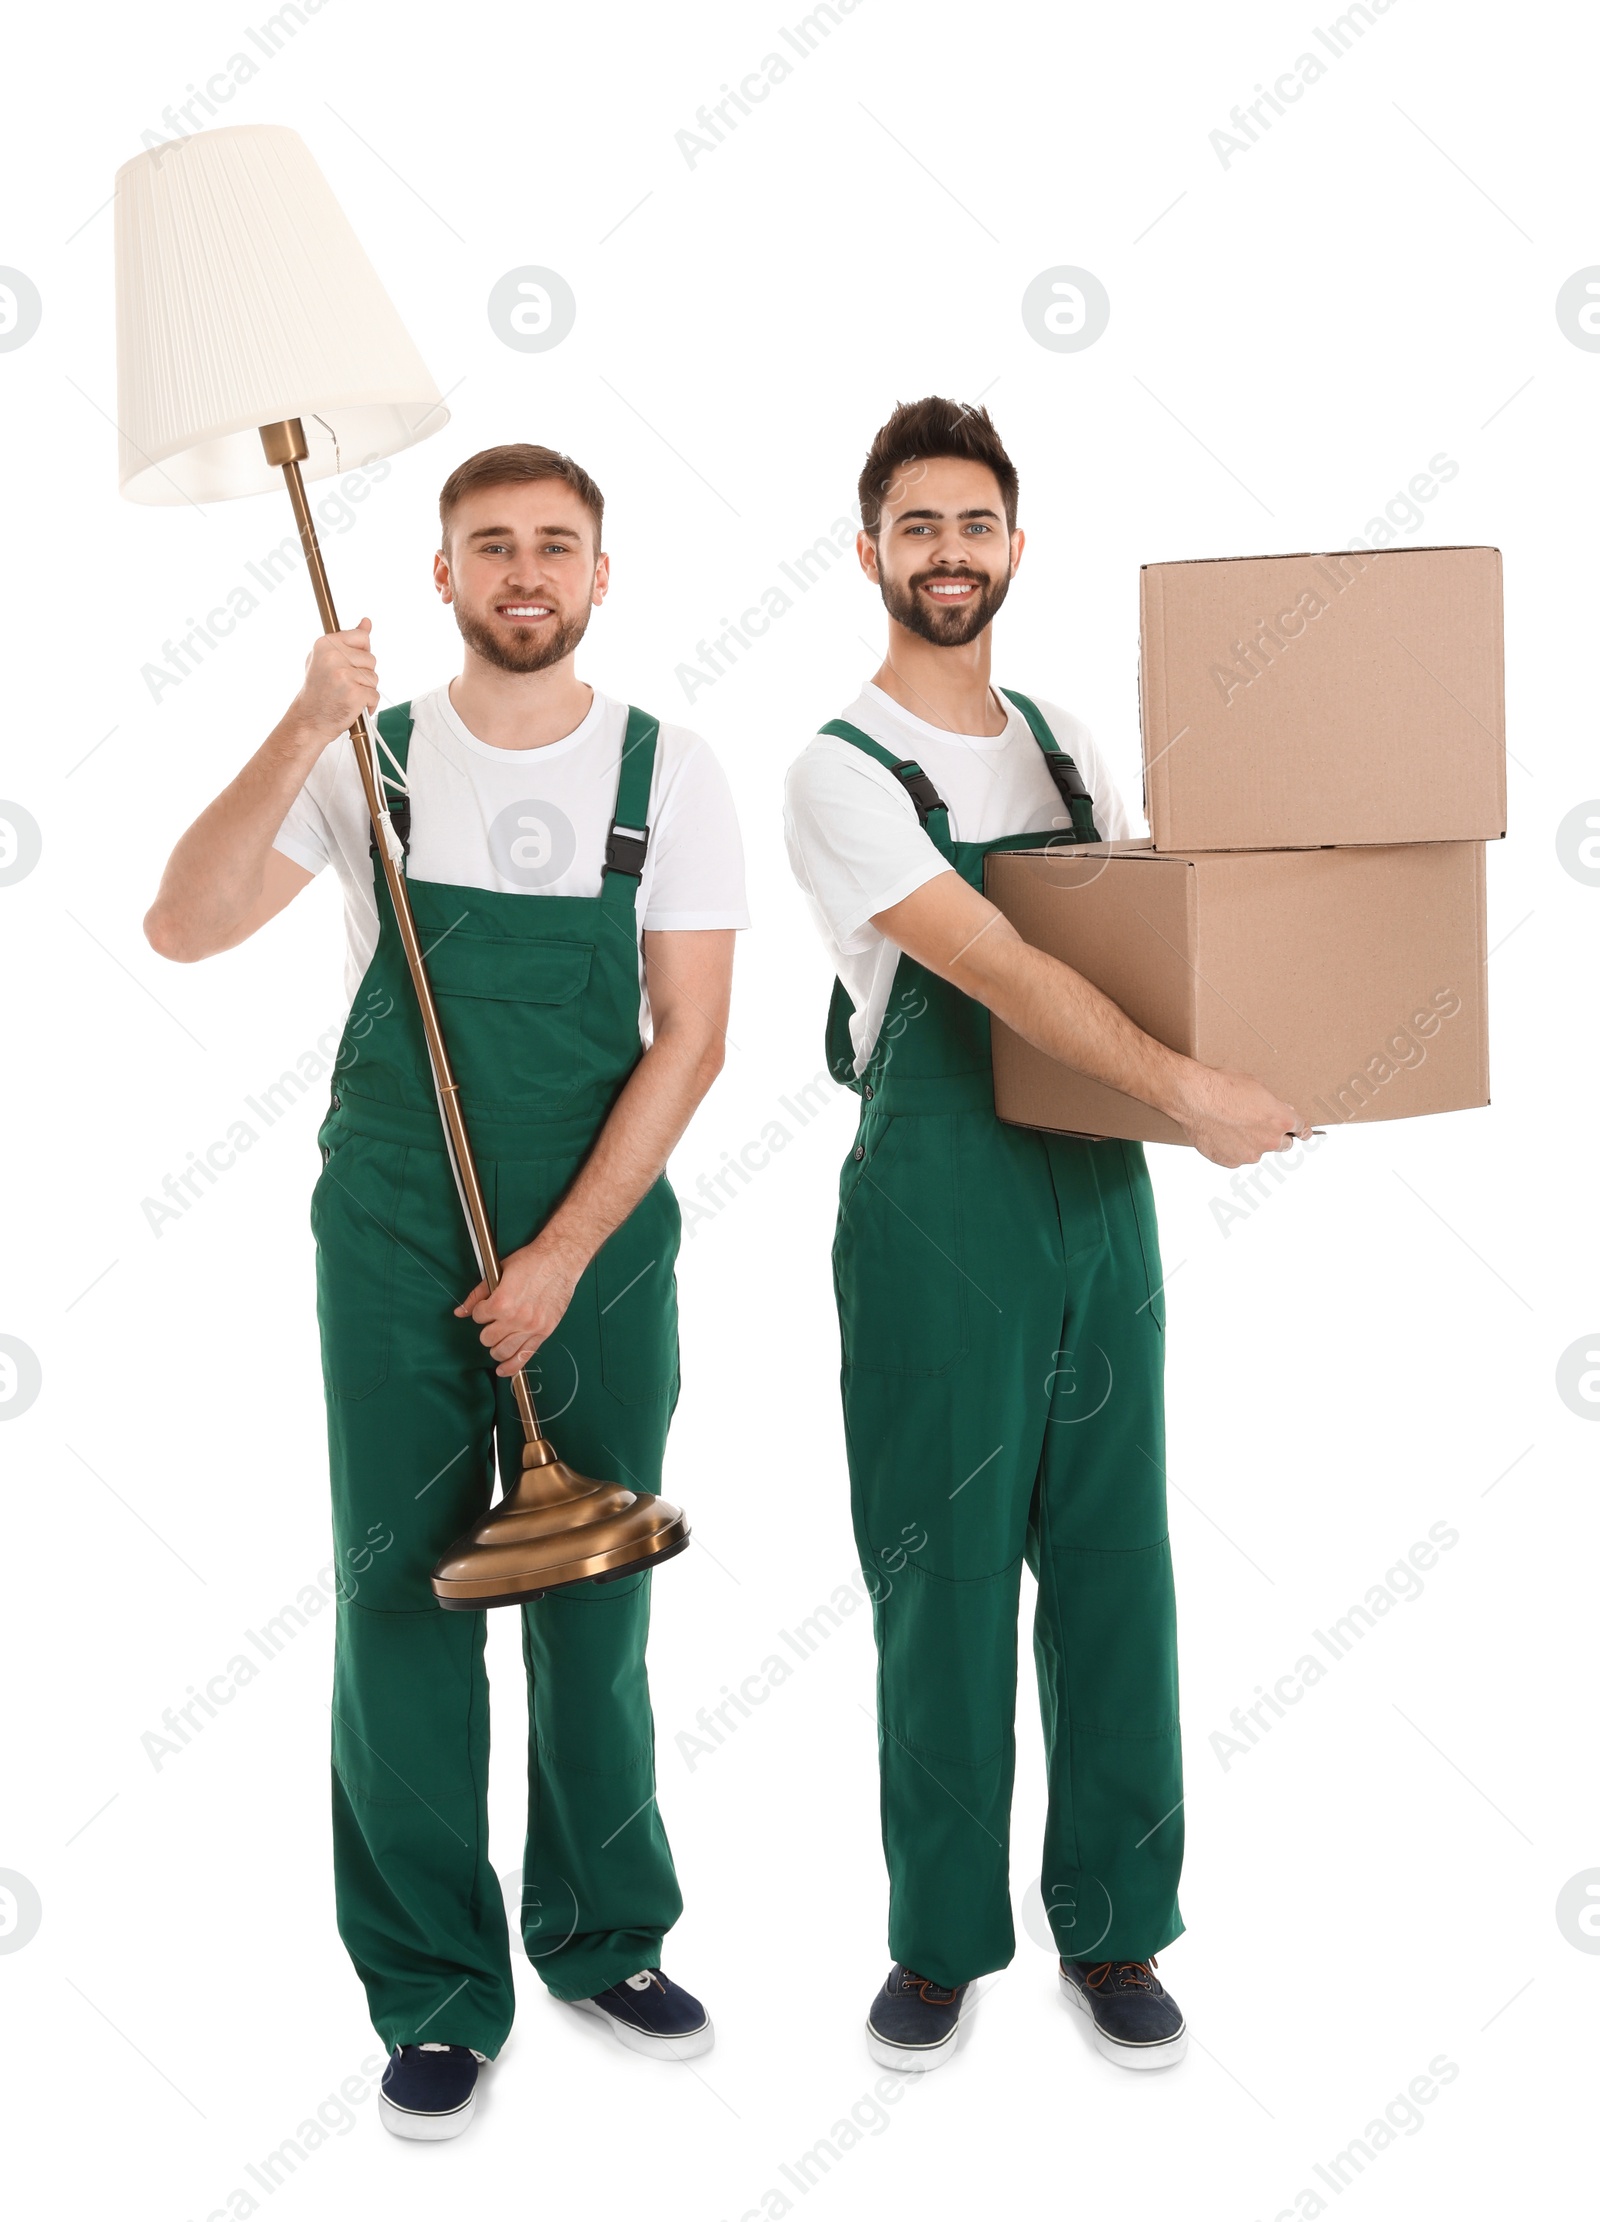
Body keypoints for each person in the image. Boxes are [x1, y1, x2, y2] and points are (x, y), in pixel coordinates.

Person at [145, 443, 748, 2139]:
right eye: (492, 546)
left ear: (601, 576)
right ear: (442, 577)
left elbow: (696, 1037)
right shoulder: (371, 757)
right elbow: (181, 926)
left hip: (600, 1239)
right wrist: (296, 721)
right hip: (397, 1228)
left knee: (593, 1590)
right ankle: (432, 1987)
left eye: (557, 544)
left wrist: (561, 1258)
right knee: (400, 1593)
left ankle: (602, 1934)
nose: (526, 571)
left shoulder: (672, 768)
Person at [783, 398, 1306, 2076]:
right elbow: (1003, 972)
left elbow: (1149, 943)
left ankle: (1118, 1926)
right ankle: (939, 1945)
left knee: (1113, 1566)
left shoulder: (1071, 742)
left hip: (1097, 1194)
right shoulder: (841, 769)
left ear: (1017, 547)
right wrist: (1193, 1093)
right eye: (916, 526)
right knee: (941, 1580)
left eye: (976, 524)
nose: (949, 552)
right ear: (869, 552)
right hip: (942, 1210)